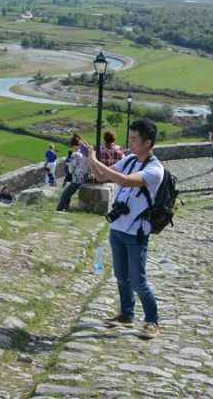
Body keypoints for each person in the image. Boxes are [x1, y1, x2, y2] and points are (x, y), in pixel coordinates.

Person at [86, 119, 165, 340]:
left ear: (148, 143)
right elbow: (102, 177)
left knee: (138, 279)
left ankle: (152, 321)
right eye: (129, 138)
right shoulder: (130, 159)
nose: (129, 143)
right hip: (118, 227)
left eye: (134, 139)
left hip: (137, 232)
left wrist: (95, 161)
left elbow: (123, 181)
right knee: (121, 276)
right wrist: (90, 159)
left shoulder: (154, 170)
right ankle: (127, 314)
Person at [56, 135, 87, 211]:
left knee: (64, 194)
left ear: (74, 145)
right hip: (85, 177)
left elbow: (70, 170)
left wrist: (69, 165)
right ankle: (66, 208)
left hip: (77, 179)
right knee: (68, 193)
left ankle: (59, 209)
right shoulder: (85, 153)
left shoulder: (75, 154)